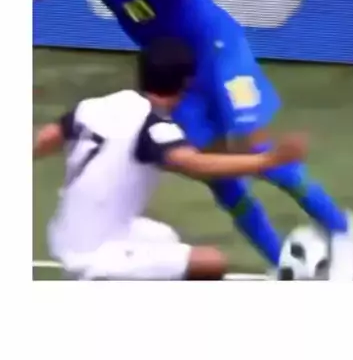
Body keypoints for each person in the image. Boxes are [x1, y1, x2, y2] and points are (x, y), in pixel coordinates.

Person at [33, 0, 353, 279]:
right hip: (177, 73)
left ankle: (340, 228)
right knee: (220, 180)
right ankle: (281, 264)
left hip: (220, 53)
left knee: (255, 148)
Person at [33, 37, 308, 281]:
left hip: (65, 233)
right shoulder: (154, 126)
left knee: (163, 238)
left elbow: (45, 138)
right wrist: (268, 160)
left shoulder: (94, 106)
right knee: (211, 262)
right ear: (185, 84)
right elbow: (196, 164)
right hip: (94, 254)